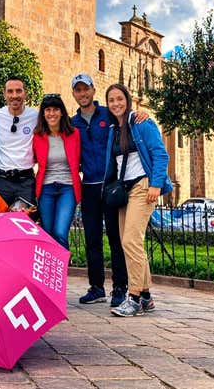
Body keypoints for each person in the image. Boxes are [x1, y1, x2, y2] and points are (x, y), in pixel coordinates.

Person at [103, 84, 173, 317]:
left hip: (143, 186)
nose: (116, 104)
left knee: (131, 241)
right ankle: (146, 295)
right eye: (111, 100)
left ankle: (133, 298)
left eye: (119, 99)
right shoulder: (115, 129)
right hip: (125, 189)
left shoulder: (141, 122)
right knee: (129, 242)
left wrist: (156, 184)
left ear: (128, 100)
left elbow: (160, 154)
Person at [71, 73, 131, 306]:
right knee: (92, 238)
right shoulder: (72, 123)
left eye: (86, 89)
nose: (83, 93)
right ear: (74, 94)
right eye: (78, 90)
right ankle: (96, 287)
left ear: (94, 90)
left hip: (111, 185)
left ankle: (120, 287)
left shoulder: (108, 114)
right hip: (89, 187)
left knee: (116, 238)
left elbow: (129, 121)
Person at [32, 94, 81, 249]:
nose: (51, 113)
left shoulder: (74, 134)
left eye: (55, 109)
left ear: (61, 112)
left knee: (60, 232)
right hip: (46, 188)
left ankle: (61, 272)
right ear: (43, 113)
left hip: (68, 187)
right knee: (47, 233)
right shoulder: (38, 136)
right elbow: (31, 159)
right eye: (48, 110)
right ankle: (48, 272)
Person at [0, 77, 39, 208]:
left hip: (26, 181)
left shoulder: (35, 116)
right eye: (10, 91)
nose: (14, 95)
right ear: (4, 94)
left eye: (18, 91)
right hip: (2, 181)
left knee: (24, 223)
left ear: (25, 93)